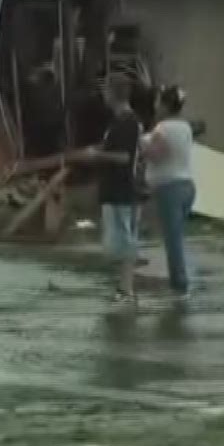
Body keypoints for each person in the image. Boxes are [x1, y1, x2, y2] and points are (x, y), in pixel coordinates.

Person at [79, 77, 148, 304]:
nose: (103, 96)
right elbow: (115, 148)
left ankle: (127, 290)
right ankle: (122, 287)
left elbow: (124, 157)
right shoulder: (118, 122)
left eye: (106, 92)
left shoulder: (128, 122)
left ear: (113, 94)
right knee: (117, 243)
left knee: (125, 241)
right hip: (113, 189)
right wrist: (97, 149)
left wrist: (96, 156)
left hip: (123, 189)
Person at [140, 84, 197, 301]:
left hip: (169, 189)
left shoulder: (163, 128)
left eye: (158, 103)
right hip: (186, 186)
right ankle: (181, 280)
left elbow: (158, 153)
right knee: (176, 236)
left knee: (173, 240)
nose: (155, 107)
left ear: (164, 105)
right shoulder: (185, 127)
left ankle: (179, 287)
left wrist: (143, 146)